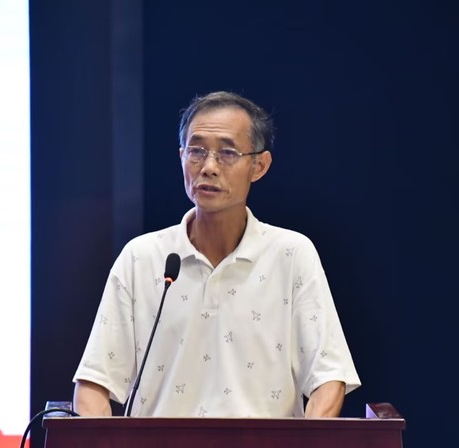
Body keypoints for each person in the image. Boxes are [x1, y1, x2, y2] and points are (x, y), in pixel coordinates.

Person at [73, 91, 360, 418]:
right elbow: (94, 384)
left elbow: (329, 379)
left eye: (227, 153)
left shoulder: (292, 255)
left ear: (259, 166)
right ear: (181, 157)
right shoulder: (141, 258)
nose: (208, 167)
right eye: (196, 151)